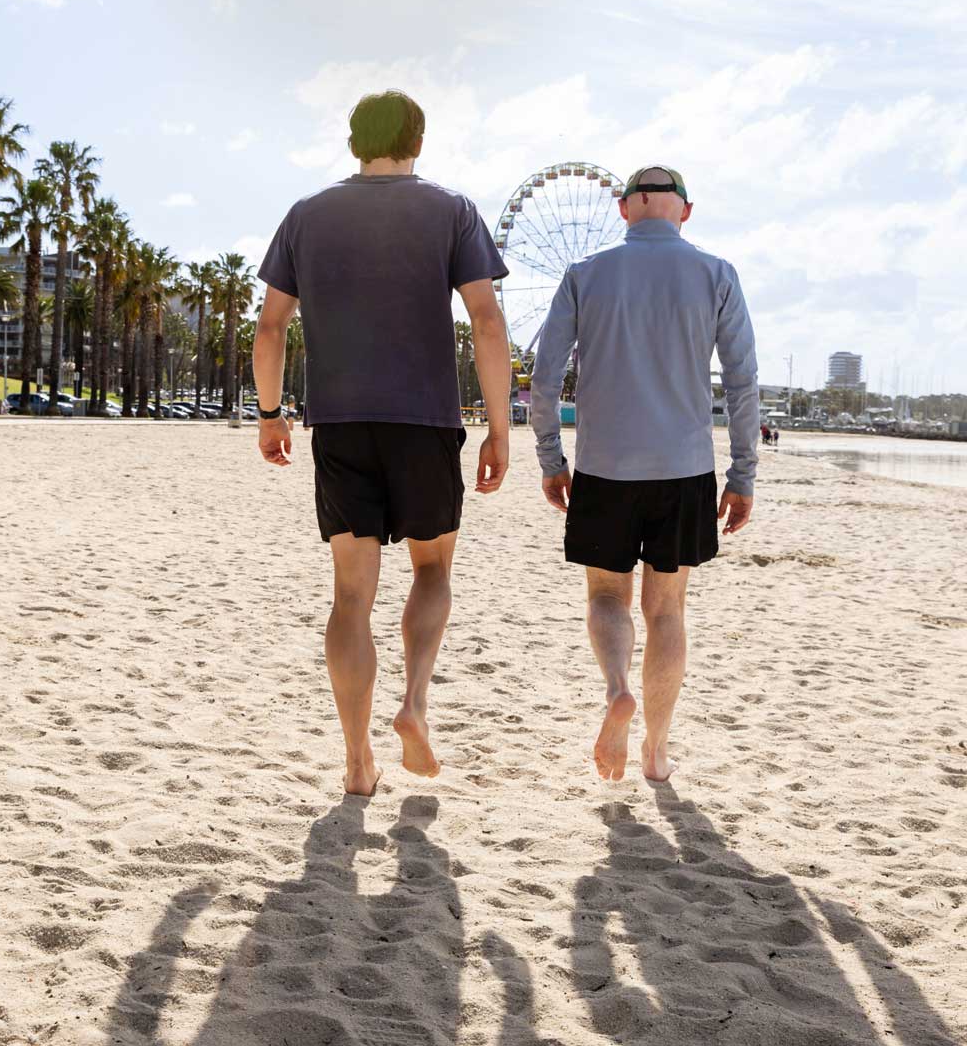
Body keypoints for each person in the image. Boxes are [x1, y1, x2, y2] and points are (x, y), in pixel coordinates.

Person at [253, 89, 512, 796]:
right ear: (417, 142)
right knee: (432, 570)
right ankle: (415, 703)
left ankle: (356, 760)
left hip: (340, 423)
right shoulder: (453, 210)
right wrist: (498, 428)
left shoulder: (306, 215)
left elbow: (271, 327)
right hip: (425, 422)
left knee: (350, 598)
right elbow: (487, 321)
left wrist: (271, 414)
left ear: (353, 142)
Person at [531, 165, 759, 784]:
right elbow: (742, 382)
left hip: (603, 468)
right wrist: (742, 472)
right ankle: (656, 752)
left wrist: (552, 459)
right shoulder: (717, 273)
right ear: (685, 211)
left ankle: (616, 690)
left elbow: (545, 379)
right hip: (684, 469)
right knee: (666, 611)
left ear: (625, 208)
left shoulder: (585, 274)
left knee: (607, 597)